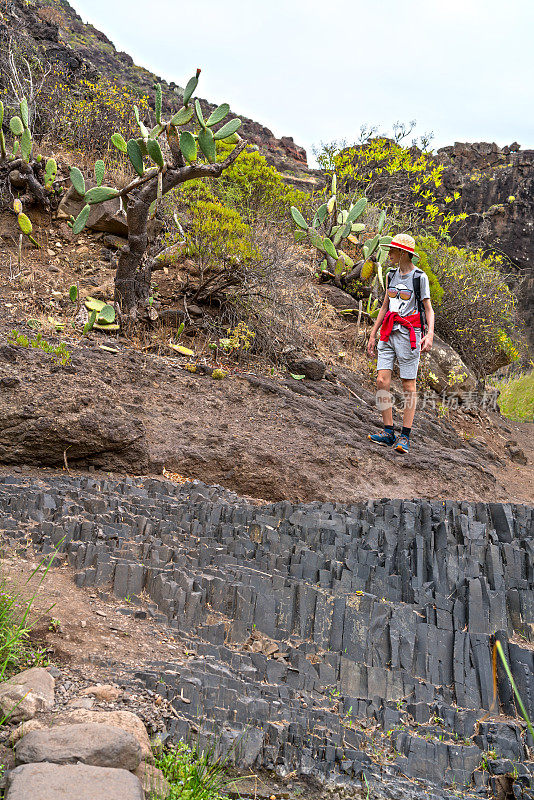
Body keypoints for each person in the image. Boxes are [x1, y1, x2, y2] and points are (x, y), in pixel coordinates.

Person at [366, 233, 434, 454]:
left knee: (408, 386)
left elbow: (428, 309)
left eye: (392, 250)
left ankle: (405, 436)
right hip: (388, 331)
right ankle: (388, 431)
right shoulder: (390, 275)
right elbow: (385, 306)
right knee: (381, 381)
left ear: (403, 253)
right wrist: (373, 333)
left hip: (409, 334)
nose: (389, 254)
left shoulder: (419, 277)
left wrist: (430, 333)